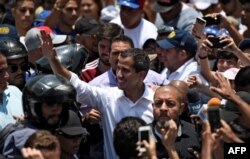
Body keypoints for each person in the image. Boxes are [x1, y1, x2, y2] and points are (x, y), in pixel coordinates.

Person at [40, 30, 154, 159]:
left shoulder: (157, 102)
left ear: (141, 75)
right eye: (118, 68)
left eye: (126, 70)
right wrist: (53, 59)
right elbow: (76, 85)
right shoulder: (108, 98)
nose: (119, 75)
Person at [2, 74, 76, 158]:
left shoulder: (54, 131)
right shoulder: (28, 136)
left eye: (60, 104)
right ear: (34, 107)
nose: (56, 109)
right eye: (50, 104)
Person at [151, 85, 200, 158]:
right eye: (158, 103)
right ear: (153, 106)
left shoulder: (195, 135)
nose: (163, 108)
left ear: (181, 108)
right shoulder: (140, 135)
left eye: (170, 104)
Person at [0, 52, 23, 131]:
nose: (6, 75)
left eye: (6, 70)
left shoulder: (15, 91)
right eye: (0, 72)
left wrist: (27, 124)